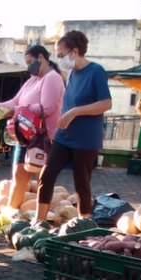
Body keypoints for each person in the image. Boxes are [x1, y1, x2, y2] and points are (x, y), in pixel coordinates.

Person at [35, 30, 112, 221]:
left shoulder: (96, 71)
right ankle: (38, 221)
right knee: (47, 175)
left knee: (81, 184)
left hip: (86, 139)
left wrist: (76, 111)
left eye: (61, 55)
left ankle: (83, 224)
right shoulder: (71, 74)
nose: (59, 59)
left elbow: (106, 103)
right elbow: (68, 103)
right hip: (64, 136)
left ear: (75, 52)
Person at [0, 45, 65, 214]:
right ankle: (11, 211)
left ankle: (42, 216)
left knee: (42, 177)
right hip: (24, 135)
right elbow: (16, 101)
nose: (29, 67)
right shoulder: (32, 80)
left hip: (43, 138)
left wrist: (17, 110)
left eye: (30, 62)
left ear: (41, 58)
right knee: (19, 175)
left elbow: (47, 108)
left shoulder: (52, 78)